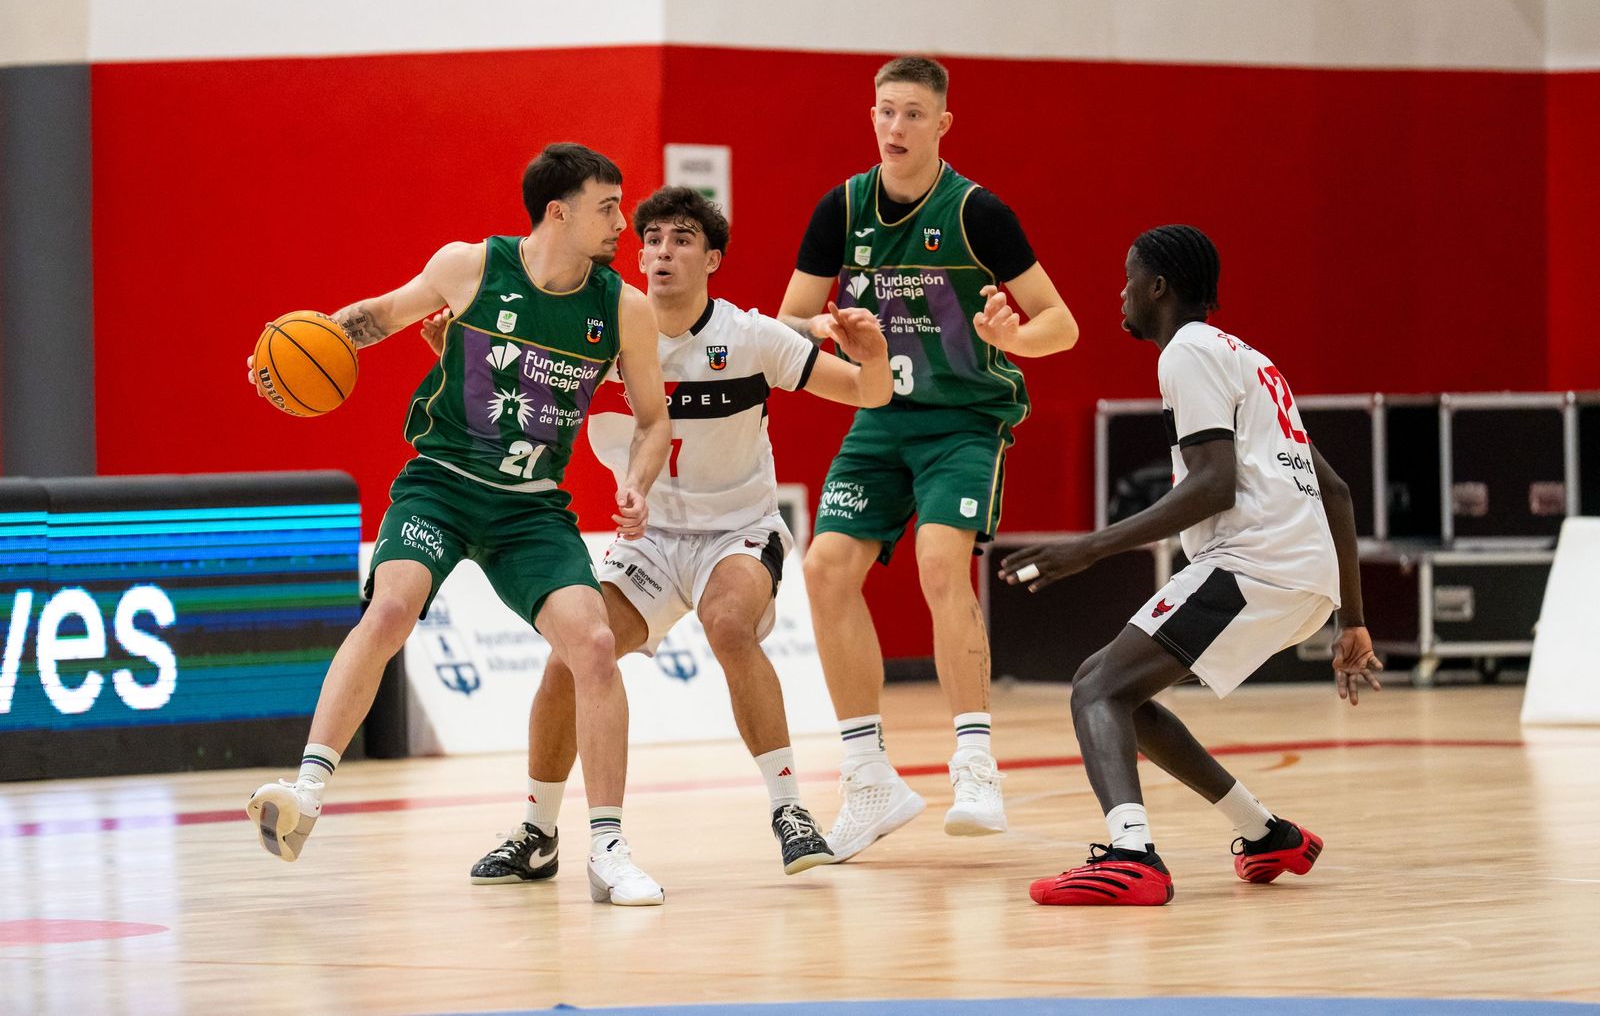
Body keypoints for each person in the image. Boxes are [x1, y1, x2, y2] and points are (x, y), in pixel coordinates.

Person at [244, 143, 673, 907]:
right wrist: (289, 348)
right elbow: (376, 318)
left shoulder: (623, 308)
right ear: (559, 211)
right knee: (391, 608)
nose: (621, 224)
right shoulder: (470, 266)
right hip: (440, 484)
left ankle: (607, 845)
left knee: (596, 646)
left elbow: (652, 420)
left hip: (531, 506)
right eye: (608, 207)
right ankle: (306, 791)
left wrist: (636, 483)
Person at [430, 185, 892, 885]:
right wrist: (452, 352)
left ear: (713, 260)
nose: (661, 252)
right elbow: (503, 404)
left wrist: (876, 354)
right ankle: (538, 829)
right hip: (647, 543)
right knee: (573, 657)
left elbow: (868, 393)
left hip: (737, 532)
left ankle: (790, 811)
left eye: (681, 239)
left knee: (730, 624)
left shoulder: (751, 336)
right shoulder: (600, 333)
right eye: (651, 239)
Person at [1000, 224, 1384, 907]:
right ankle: (1265, 834)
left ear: (1159, 287)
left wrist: (1087, 549)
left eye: (1128, 276)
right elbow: (1337, 492)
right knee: (1124, 694)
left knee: (1096, 689)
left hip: (1254, 564)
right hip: (1300, 576)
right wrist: (1351, 621)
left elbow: (1213, 485)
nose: (1120, 291)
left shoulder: (1187, 352)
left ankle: (1132, 857)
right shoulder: (1253, 360)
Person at [777, 55, 1079, 859]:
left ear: (943, 125)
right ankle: (868, 776)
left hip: (962, 420)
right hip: (880, 417)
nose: (896, 128)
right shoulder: (841, 209)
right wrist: (831, 330)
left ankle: (976, 764)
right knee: (823, 570)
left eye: (913, 114)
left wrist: (1014, 335)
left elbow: (1063, 322)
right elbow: (791, 317)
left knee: (940, 563)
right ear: (870, 117)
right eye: (885, 112)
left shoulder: (980, 213)